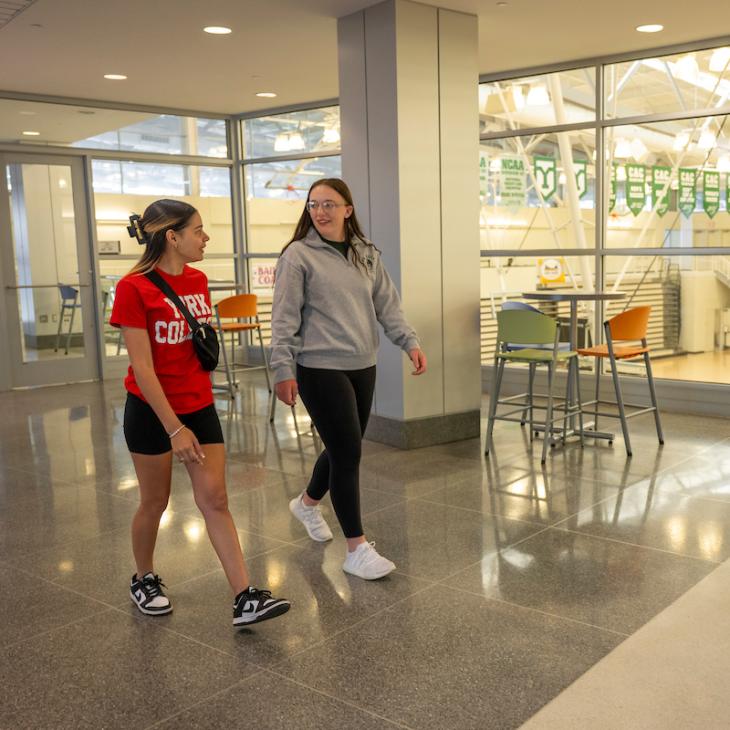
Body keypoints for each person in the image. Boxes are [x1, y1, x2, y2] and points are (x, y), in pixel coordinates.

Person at [110, 198, 290, 627]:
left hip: (200, 405)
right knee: (155, 501)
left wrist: (192, 416)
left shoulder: (198, 280)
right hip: (153, 411)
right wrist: (175, 429)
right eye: (198, 230)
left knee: (216, 500)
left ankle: (245, 596)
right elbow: (143, 368)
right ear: (172, 237)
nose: (205, 237)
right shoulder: (133, 287)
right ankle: (144, 577)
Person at [270, 178, 427, 579]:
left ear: (347, 210)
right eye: (313, 205)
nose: (320, 211)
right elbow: (284, 318)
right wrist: (283, 369)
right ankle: (356, 548)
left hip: (362, 362)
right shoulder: (298, 256)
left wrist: (409, 343)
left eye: (329, 204)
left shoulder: (365, 254)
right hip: (318, 366)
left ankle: (306, 504)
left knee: (346, 444)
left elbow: (387, 304)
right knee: (348, 453)